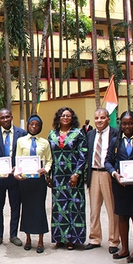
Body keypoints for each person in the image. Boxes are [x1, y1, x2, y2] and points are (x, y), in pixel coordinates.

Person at [105, 111, 133, 263]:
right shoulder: (114, 142)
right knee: (122, 216)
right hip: (120, 185)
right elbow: (108, 161)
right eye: (124, 123)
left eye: (130, 123)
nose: (127, 126)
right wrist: (114, 174)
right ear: (120, 124)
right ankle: (124, 249)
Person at [0, 108, 27, 247]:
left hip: (15, 177)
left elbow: (25, 155)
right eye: (2, 118)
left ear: (11, 117)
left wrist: (20, 168)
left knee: (15, 207)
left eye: (8, 117)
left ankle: (13, 235)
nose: (5, 120)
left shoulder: (22, 134)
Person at [47, 107, 88, 250]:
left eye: (68, 116)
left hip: (73, 176)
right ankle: (60, 238)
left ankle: (72, 239)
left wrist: (77, 174)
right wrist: (48, 175)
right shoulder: (51, 135)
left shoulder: (78, 134)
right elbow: (48, 157)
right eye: (63, 115)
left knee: (74, 206)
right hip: (58, 177)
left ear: (72, 118)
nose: (65, 118)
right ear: (58, 118)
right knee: (59, 207)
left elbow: (83, 154)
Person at [14, 115, 52, 253]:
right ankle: (28, 239)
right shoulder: (21, 141)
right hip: (25, 181)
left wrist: (46, 169)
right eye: (31, 124)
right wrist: (17, 173)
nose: (34, 127)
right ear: (28, 125)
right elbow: (17, 159)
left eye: (37, 125)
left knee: (39, 209)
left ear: (40, 127)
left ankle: (41, 241)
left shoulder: (45, 143)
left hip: (39, 181)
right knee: (27, 209)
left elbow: (49, 160)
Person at [84, 108, 120, 254]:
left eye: (102, 118)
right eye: (97, 118)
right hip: (93, 173)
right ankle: (94, 238)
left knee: (112, 209)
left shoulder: (115, 134)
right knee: (94, 209)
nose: (99, 120)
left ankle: (113, 240)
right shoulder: (90, 134)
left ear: (108, 119)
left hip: (108, 174)